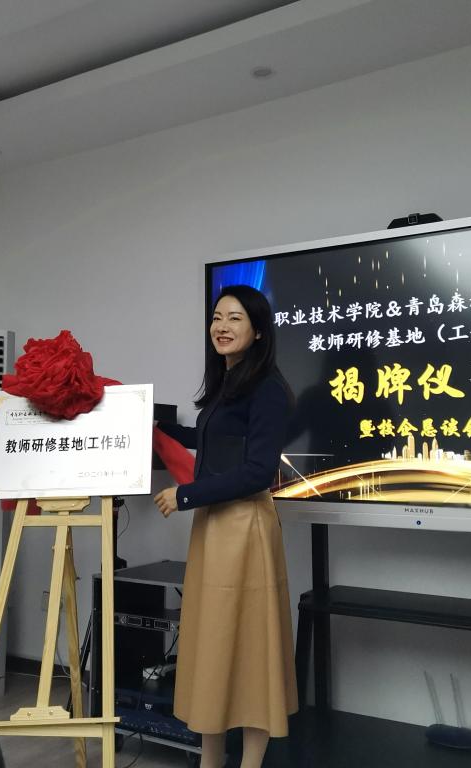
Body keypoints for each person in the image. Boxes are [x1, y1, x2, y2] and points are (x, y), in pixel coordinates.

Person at [154, 285, 298, 768]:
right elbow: (211, 438)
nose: (222, 326)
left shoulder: (267, 388)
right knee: (212, 645)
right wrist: (149, 426)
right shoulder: (227, 383)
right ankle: (210, 760)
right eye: (217, 317)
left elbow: (258, 471)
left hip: (244, 527)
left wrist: (186, 494)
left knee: (251, 649)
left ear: (258, 331)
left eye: (235, 318)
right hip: (215, 526)